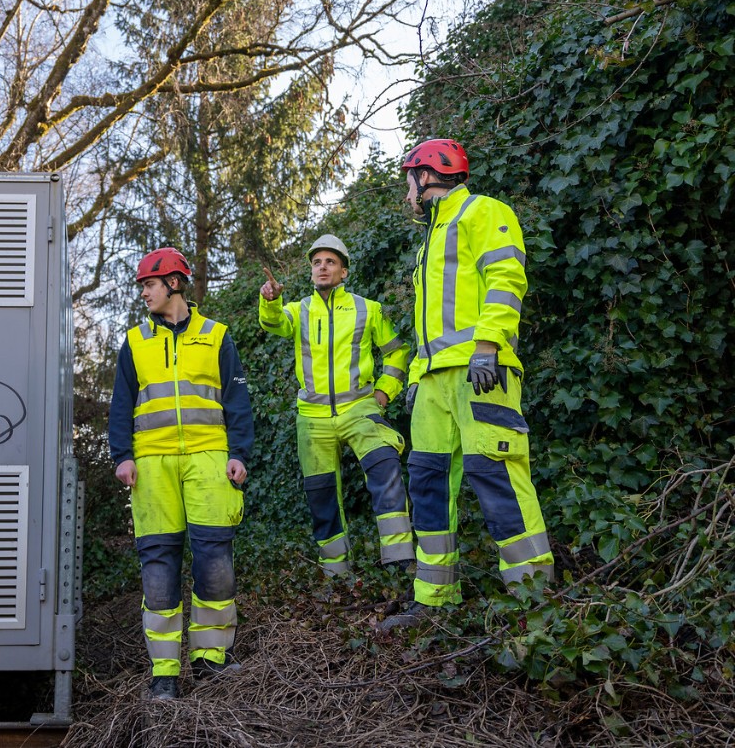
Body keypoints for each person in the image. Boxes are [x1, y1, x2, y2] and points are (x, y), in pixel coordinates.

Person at [383, 139, 554, 629]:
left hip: (482, 369)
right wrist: (417, 376)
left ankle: (535, 603)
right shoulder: (431, 239)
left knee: (495, 472)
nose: (407, 192)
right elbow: (430, 323)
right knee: (428, 481)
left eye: (408, 180)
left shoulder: (484, 211)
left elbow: (506, 278)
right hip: (434, 381)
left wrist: (489, 344)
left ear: (426, 175)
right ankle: (434, 599)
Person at [108, 247, 253, 701]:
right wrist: (122, 456)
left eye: (149, 284)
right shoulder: (134, 342)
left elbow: (238, 403)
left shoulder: (217, 336)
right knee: (159, 566)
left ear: (174, 283)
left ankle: (211, 661)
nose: (144, 293)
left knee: (215, 563)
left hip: (210, 460)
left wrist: (240, 453)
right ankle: (164, 674)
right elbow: (120, 405)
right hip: (151, 468)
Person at [258, 234, 414, 578]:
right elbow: (273, 324)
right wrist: (269, 301)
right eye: (316, 263)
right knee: (322, 498)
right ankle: (337, 574)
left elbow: (397, 352)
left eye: (330, 262)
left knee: (386, 469)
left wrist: (384, 392)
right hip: (312, 419)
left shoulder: (367, 308)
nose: (322, 267)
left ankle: (400, 563)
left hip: (361, 410)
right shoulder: (298, 310)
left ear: (344, 271)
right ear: (311, 272)